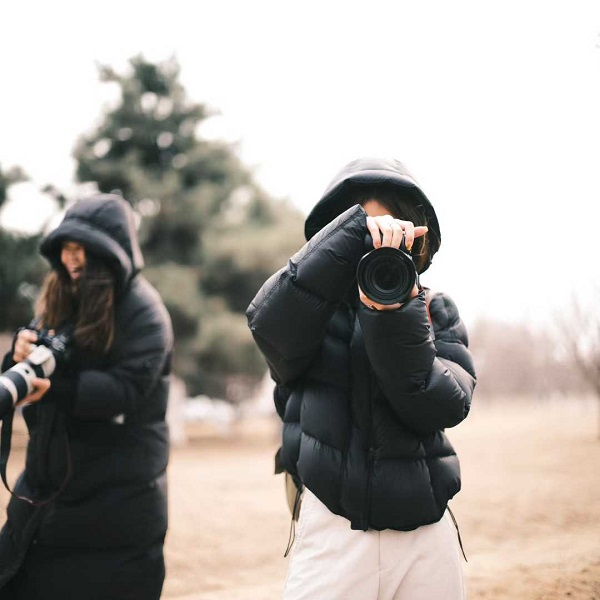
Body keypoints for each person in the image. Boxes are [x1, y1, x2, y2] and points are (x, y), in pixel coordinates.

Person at [246, 158, 476, 600]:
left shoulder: (434, 310)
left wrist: (394, 315)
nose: (375, 248)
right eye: (364, 235)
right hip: (332, 530)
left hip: (427, 534)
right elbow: (268, 326)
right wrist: (354, 231)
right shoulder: (309, 315)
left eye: (391, 233)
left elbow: (441, 405)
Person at [0, 193, 174, 599]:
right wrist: (17, 354)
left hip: (113, 511)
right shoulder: (62, 297)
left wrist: (58, 388)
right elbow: (36, 366)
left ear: (111, 251)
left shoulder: (144, 311)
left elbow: (126, 391)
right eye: (66, 246)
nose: (71, 257)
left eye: (82, 248)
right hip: (43, 498)